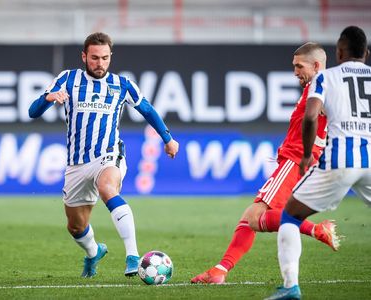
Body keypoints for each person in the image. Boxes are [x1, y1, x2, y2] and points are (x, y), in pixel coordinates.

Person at [28, 32, 179, 277]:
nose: (100, 63)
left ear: (111, 57)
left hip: (109, 154)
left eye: (105, 58)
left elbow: (147, 109)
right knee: (76, 226)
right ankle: (93, 252)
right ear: (84, 56)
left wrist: (168, 138)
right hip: (76, 163)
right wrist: (48, 98)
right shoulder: (68, 79)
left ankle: (133, 256)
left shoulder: (122, 84)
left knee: (108, 187)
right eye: (95, 58)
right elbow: (33, 112)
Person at [191, 42, 341, 284]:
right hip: (299, 160)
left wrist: (310, 153)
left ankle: (316, 229)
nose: (294, 72)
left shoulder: (322, 87)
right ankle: (220, 270)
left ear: (316, 65)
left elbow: (322, 118)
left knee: (254, 218)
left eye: (299, 66)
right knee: (250, 218)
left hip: (296, 161)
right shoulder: (318, 88)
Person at [266, 25, 371, 300]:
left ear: (338, 52)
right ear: (367, 54)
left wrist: (305, 155)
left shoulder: (325, 78)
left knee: (289, 215)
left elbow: (311, 116)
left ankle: (291, 288)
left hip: (340, 160)